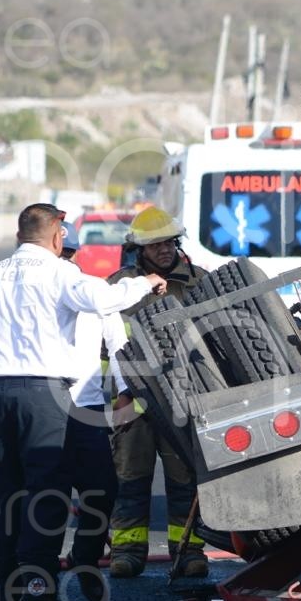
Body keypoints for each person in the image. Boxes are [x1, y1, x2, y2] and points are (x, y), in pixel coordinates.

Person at [0, 204, 167, 601]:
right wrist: (145, 281)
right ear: (58, 236)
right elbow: (106, 297)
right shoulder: (61, 274)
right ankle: (38, 595)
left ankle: (11, 593)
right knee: (47, 498)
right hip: (48, 396)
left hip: (5, 395)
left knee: (9, 496)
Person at [105, 205, 208, 579]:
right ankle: (128, 552)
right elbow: (104, 349)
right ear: (139, 249)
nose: (164, 250)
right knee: (131, 477)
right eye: (155, 245)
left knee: (185, 478)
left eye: (169, 243)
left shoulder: (198, 281)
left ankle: (189, 551)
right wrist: (118, 394)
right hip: (134, 400)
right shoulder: (120, 286)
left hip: (184, 397)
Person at [58, 221, 122, 601]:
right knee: (47, 495)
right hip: (43, 404)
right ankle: (38, 574)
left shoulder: (92, 291)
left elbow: (117, 343)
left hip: (86, 407)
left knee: (101, 490)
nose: (65, 261)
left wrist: (126, 392)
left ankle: (85, 560)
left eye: (68, 255)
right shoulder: (34, 292)